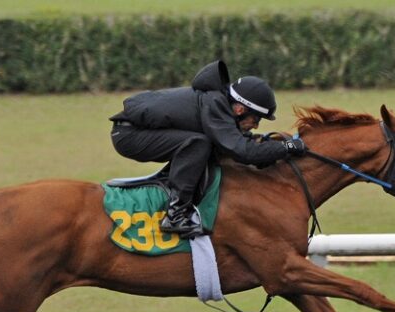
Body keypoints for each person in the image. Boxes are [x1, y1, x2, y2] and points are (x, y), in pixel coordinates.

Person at [109, 60, 306, 239]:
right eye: (255, 119)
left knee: (204, 143)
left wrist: (266, 148)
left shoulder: (218, 102)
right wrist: (286, 147)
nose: (255, 126)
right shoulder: (215, 105)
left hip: (138, 129)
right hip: (129, 136)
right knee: (199, 143)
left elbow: (236, 142)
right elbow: (243, 152)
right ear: (240, 109)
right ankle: (176, 214)